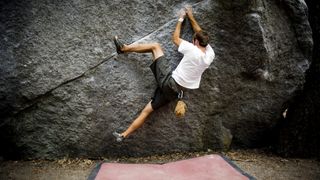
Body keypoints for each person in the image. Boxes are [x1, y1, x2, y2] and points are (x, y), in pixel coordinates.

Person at [112, 6, 215, 142]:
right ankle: (123, 135)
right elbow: (200, 33)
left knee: (155, 46)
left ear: (195, 42)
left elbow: (175, 38)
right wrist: (191, 16)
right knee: (147, 111)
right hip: (174, 93)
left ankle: (124, 48)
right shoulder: (210, 55)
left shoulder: (192, 49)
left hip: (168, 82)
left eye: (193, 39)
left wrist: (181, 18)